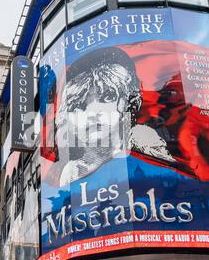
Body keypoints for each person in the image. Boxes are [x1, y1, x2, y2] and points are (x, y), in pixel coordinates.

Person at [54, 46, 174, 186]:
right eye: (77, 106)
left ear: (129, 103)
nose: (92, 112)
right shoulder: (71, 172)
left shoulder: (149, 150)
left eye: (107, 97)